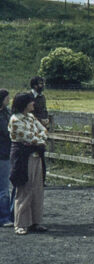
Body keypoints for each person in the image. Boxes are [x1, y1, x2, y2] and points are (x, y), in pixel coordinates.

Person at [8, 92, 47, 235]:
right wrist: (39, 139)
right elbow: (28, 137)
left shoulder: (31, 117)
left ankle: (35, 222)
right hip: (24, 157)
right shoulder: (15, 119)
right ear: (24, 104)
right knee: (24, 189)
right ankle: (20, 224)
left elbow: (43, 131)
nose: (33, 104)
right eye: (31, 102)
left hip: (36, 156)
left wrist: (39, 138)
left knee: (37, 189)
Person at [0, 89, 13, 227]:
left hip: (5, 152)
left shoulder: (6, 113)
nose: (9, 100)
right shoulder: (2, 116)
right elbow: (7, 131)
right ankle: (4, 217)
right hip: (2, 153)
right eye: (7, 98)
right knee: (3, 187)